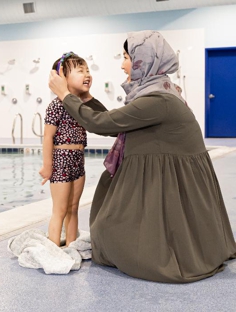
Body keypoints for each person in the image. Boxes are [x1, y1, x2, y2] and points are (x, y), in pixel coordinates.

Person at [48, 31, 236, 283]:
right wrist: (86, 98)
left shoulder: (156, 100)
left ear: (144, 60)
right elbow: (116, 123)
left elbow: (102, 123)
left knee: (108, 230)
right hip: (168, 168)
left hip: (168, 171)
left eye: (127, 57)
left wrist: (65, 95)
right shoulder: (161, 90)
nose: (123, 64)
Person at [39, 52, 107, 247]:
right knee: (59, 210)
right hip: (61, 158)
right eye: (80, 71)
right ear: (62, 78)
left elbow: (102, 116)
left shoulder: (82, 106)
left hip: (78, 159)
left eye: (88, 70)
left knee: (73, 208)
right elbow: (48, 137)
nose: (87, 74)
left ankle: (71, 245)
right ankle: (53, 248)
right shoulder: (56, 106)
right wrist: (47, 165)